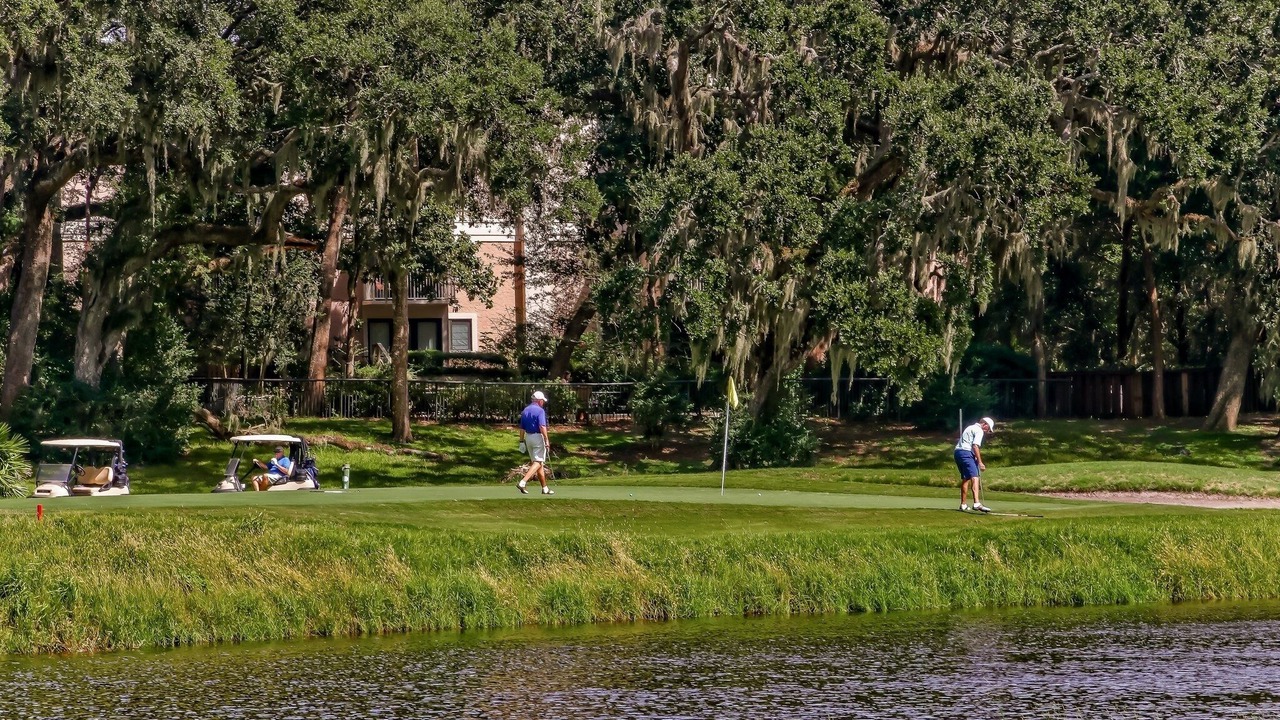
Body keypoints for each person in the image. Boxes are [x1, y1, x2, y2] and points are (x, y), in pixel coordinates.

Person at [517, 390, 553, 495]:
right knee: (538, 462)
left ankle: (544, 488)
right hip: (538, 437)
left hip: (528, 438)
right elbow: (542, 426)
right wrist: (546, 439)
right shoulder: (540, 410)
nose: (543, 402)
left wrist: (521, 441)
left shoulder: (526, 410)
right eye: (542, 400)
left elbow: (522, 428)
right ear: (539, 400)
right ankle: (523, 482)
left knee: (538, 463)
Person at [955, 417, 995, 513]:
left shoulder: (970, 427)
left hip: (958, 453)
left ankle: (963, 505)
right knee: (975, 477)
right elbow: (975, 445)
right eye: (988, 428)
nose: (987, 431)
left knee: (966, 478)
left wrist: (974, 456)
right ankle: (977, 503)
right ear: (985, 424)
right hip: (966, 453)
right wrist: (980, 462)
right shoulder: (979, 430)